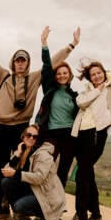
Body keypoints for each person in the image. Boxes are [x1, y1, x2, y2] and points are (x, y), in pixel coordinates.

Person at [0, 18, 76, 220]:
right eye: (17, 60)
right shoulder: (2, 75)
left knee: (24, 169)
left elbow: (52, 62)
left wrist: (70, 46)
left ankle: (22, 210)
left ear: (28, 63)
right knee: (1, 169)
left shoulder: (35, 77)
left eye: (23, 60)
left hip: (23, 130)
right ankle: (2, 211)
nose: (20, 63)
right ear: (13, 62)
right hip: (2, 128)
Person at [62, 27, 111, 220]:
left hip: (96, 134)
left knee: (82, 174)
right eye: (93, 74)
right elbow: (80, 103)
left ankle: (81, 216)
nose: (97, 76)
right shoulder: (86, 92)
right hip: (80, 135)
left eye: (99, 73)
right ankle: (96, 216)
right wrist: (96, 90)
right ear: (89, 77)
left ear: (103, 74)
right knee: (87, 174)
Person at [35, 26, 80, 186]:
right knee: (45, 166)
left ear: (69, 76)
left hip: (69, 135)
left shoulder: (74, 96)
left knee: (63, 169)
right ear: (55, 76)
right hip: (51, 134)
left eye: (65, 73)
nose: (62, 75)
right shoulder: (50, 89)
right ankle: (43, 198)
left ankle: (59, 201)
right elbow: (46, 66)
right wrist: (44, 44)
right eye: (59, 73)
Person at [0, 124, 68, 220]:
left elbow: (39, 178)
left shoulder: (43, 154)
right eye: (28, 135)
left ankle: (44, 216)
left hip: (45, 195)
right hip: (33, 190)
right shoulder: (23, 150)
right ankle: (20, 217)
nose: (31, 138)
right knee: (6, 182)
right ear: (23, 136)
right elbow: (6, 170)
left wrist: (15, 173)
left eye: (35, 137)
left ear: (38, 139)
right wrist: (17, 154)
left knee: (19, 206)